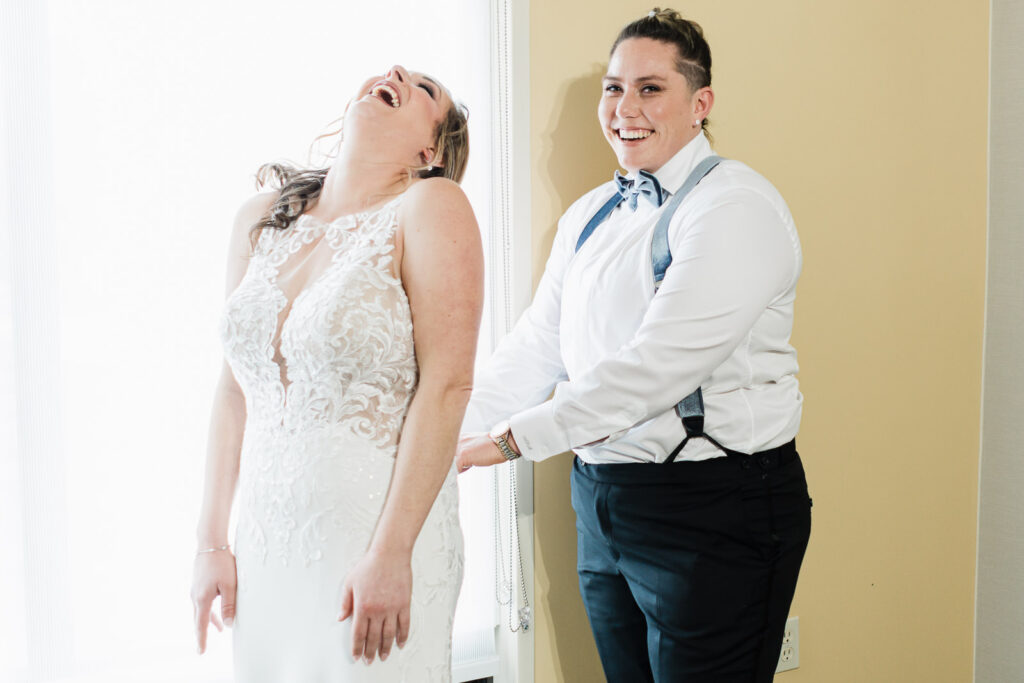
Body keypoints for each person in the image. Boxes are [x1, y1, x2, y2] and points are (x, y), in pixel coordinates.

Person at [457, 8, 811, 682]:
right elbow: (540, 344)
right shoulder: (589, 213)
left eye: (650, 88)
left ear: (700, 103)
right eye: (613, 88)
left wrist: (508, 440)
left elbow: (657, 369)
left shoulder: (735, 206)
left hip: (713, 505)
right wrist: (451, 427)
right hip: (601, 498)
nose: (625, 108)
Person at [190, 65, 482, 682]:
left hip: (374, 543)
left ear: (430, 150)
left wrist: (392, 552)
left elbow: (448, 385)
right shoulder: (260, 216)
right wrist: (211, 543)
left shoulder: (430, 203)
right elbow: (232, 391)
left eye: (425, 89)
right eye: (396, 68)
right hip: (267, 550)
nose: (398, 72)